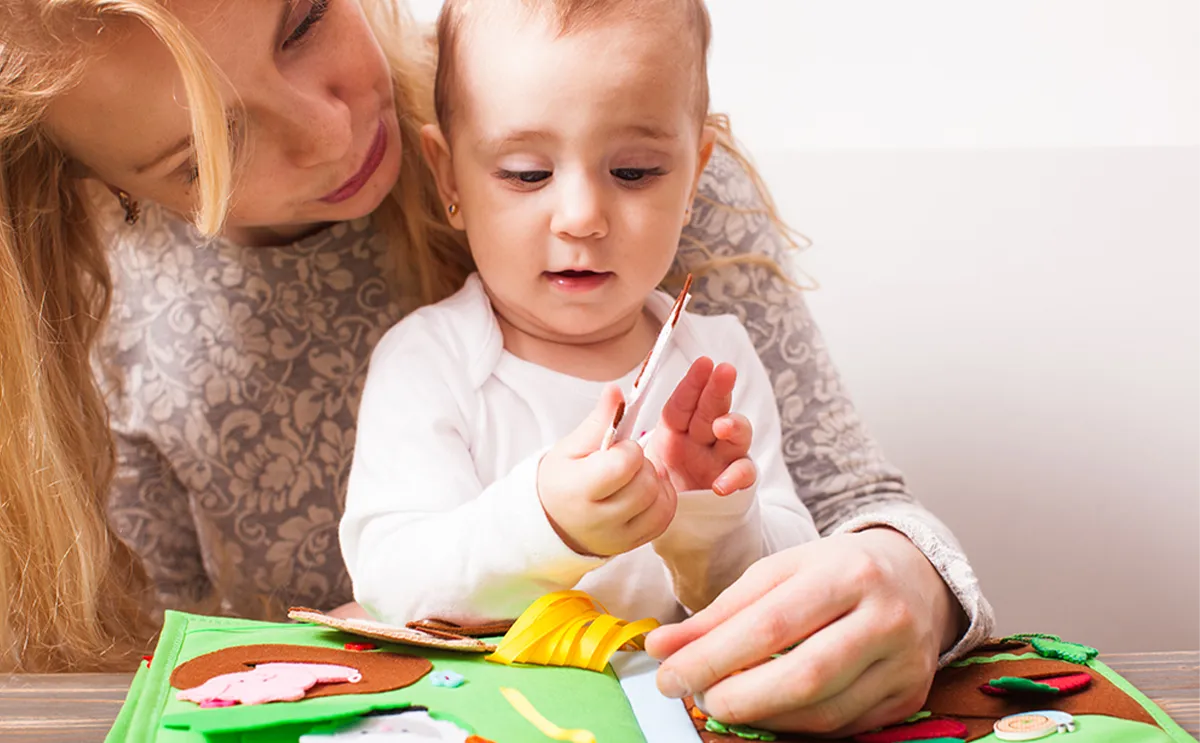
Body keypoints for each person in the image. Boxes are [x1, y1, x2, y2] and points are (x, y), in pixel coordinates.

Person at [0, 0, 991, 733]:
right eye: (212, 147)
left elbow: (846, 508)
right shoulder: (114, 332)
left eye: (302, 20)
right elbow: (174, 673)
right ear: (106, 190)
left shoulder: (605, 119)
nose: (331, 129)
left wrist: (909, 581)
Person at [339, 0, 820, 626]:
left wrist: (711, 515)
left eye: (634, 171)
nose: (582, 217)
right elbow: (392, 581)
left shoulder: (716, 363)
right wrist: (543, 521)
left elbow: (796, 583)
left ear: (693, 179)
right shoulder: (430, 362)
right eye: (527, 173)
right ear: (449, 176)